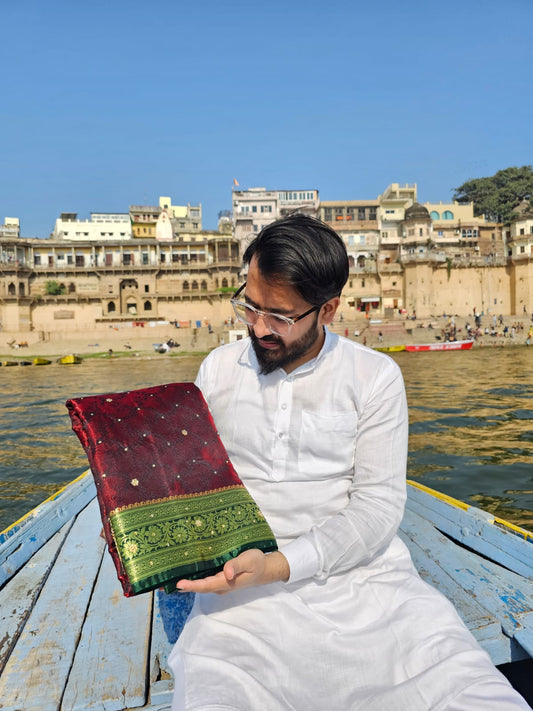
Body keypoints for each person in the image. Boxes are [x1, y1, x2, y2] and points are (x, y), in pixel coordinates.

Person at [168, 214, 528, 710]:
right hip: (240, 591)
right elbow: (192, 477)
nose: (257, 327)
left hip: (365, 584)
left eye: (279, 316)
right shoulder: (217, 369)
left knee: (464, 690)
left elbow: (377, 510)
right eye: (248, 306)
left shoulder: (374, 375)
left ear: (328, 309)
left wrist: (280, 565)